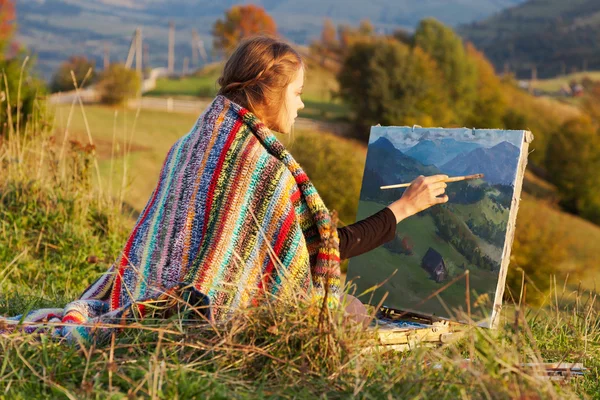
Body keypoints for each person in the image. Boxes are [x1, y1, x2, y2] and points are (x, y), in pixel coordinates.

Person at [1, 36, 448, 343]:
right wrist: (406, 207)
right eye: (298, 92)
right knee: (350, 310)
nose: (302, 103)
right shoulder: (261, 166)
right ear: (268, 94)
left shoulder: (192, 142)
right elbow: (324, 250)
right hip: (214, 310)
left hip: (161, 294)